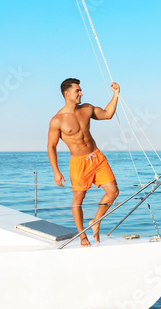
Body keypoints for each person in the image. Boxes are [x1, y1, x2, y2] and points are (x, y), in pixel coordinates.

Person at [47, 78, 120, 247]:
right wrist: (56, 171)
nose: (81, 93)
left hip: (97, 157)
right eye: (77, 91)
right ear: (67, 94)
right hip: (79, 163)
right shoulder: (57, 120)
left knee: (113, 191)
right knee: (78, 200)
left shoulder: (86, 109)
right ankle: (82, 237)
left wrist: (116, 94)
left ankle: (96, 220)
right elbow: (51, 146)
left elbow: (107, 114)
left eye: (80, 90)